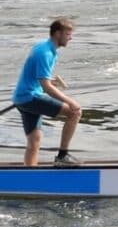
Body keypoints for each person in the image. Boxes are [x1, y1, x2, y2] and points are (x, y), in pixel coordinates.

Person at [12, 19, 82, 166]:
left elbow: (40, 79)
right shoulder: (45, 53)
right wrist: (70, 102)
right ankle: (62, 156)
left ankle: (30, 176)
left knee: (34, 142)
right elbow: (47, 87)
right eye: (68, 34)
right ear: (57, 34)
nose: (70, 38)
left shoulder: (45, 47)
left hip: (21, 97)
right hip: (30, 97)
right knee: (74, 112)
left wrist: (51, 82)